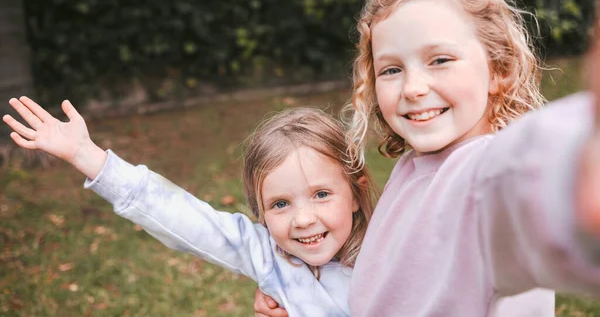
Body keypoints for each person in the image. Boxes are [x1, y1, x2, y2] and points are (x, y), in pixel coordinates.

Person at [254, 0, 600, 316]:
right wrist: (305, 296)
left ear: (498, 69)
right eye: (391, 70)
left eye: (440, 60)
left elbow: (538, 177)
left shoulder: (480, 176)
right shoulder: (413, 168)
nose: (413, 88)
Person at [2, 102, 378, 317]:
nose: (303, 219)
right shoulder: (267, 254)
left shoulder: (389, 254)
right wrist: (87, 155)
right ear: (260, 213)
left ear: (357, 194)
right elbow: (184, 216)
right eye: (280, 203)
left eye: (321, 195)